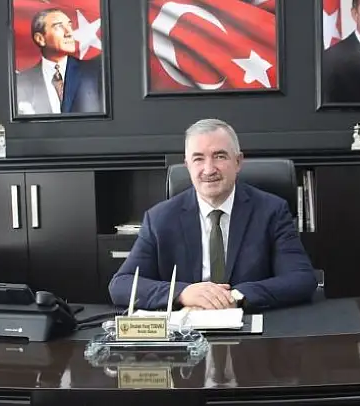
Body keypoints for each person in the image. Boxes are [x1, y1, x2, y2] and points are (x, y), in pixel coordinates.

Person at [108, 119, 317, 311]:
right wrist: (182, 293)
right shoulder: (159, 219)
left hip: (252, 323)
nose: (209, 169)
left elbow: (301, 278)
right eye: (198, 159)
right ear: (187, 165)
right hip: (187, 327)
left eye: (219, 156)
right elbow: (121, 284)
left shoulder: (271, 211)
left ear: (238, 162)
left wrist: (236, 296)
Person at [15, 8, 104, 115]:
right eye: (59, 27)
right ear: (40, 39)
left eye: (69, 25)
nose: (69, 33)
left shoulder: (95, 72)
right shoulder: (20, 82)